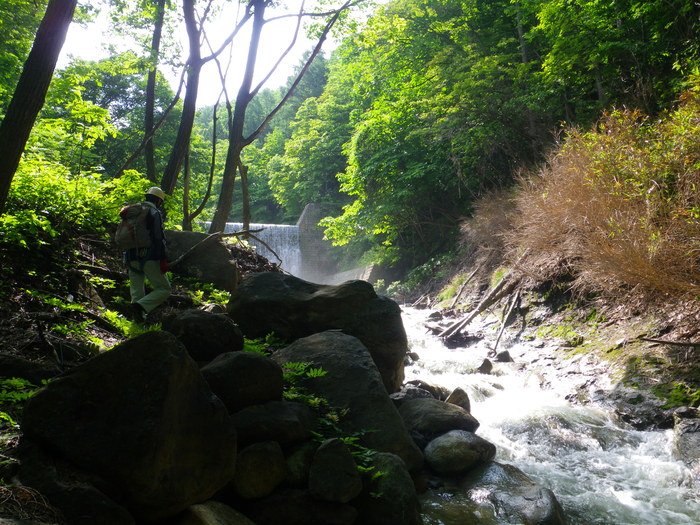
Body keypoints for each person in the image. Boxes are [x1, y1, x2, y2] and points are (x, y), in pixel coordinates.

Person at [124, 187, 171, 322]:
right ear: (158, 201)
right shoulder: (154, 212)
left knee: (136, 291)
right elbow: (158, 237)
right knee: (164, 289)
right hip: (149, 256)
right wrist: (163, 258)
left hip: (130, 255)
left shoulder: (133, 211)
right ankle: (141, 307)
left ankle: (137, 322)